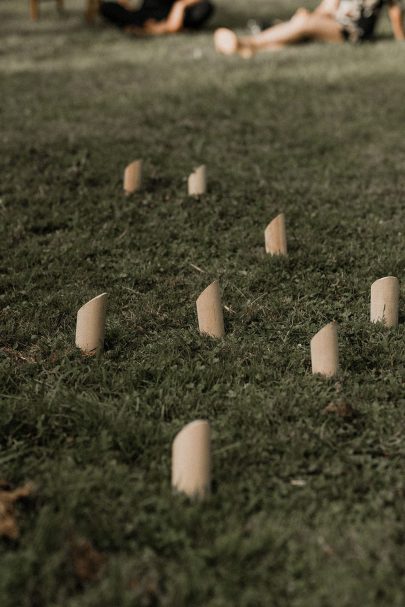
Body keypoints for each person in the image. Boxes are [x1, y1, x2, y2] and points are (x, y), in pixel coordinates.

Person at [214, 0, 405, 56]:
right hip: (335, 24)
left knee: (303, 25)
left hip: (354, 33)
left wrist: (400, 38)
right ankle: (257, 47)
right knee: (302, 24)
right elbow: (327, 8)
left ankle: (249, 42)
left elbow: (395, 12)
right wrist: (310, 16)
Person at [100, 0, 214, 34]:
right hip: (148, 12)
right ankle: (145, 26)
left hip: (175, 12)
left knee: (205, 7)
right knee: (107, 7)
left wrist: (181, 5)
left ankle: (147, 28)